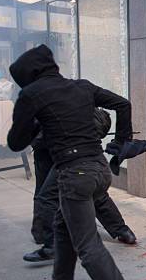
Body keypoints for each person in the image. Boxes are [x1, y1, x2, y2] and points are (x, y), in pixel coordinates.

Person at [7, 45, 145, 280]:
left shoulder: (32, 94)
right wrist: (119, 144)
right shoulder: (81, 87)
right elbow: (123, 103)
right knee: (62, 224)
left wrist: (34, 121)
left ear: (27, 76)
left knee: (87, 244)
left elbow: (16, 142)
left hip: (74, 173)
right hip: (99, 168)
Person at [25, 108, 137, 263]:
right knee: (92, 192)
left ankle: (48, 241)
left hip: (57, 148)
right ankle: (122, 230)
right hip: (74, 148)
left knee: (46, 194)